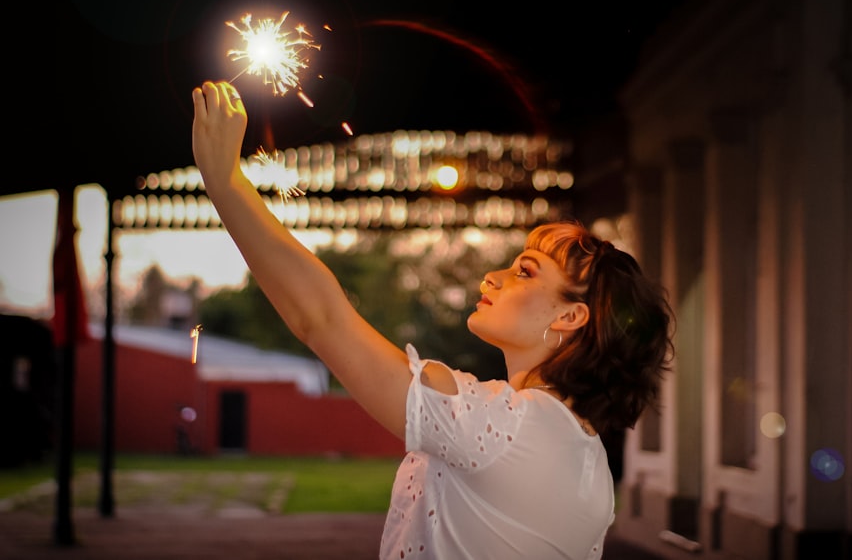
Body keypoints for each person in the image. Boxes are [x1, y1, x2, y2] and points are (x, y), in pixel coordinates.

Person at [191, 80, 675, 559]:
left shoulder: (508, 429)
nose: (491, 276)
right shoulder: (584, 454)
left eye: (525, 271)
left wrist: (227, 184)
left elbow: (321, 320)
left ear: (571, 316)